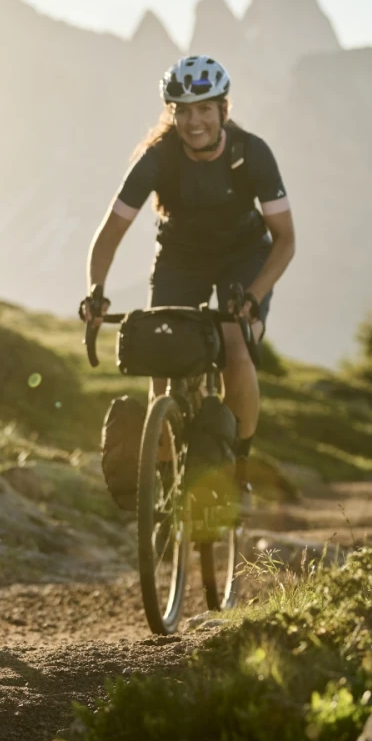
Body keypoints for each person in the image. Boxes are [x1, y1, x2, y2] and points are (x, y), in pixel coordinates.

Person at [80, 54, 294, 480]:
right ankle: (162, 472)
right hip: (181, 257)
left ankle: (238, 467)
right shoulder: (157, 158)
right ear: (171, 113)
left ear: (223, 110)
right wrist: (96, 291)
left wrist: (253, 297)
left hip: (244, 256)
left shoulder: (251, 154)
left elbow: (285, 240)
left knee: (236, 349)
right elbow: (110, 233)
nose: (194, 122)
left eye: (204, 110)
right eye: (182, 111)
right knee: (162, 358)